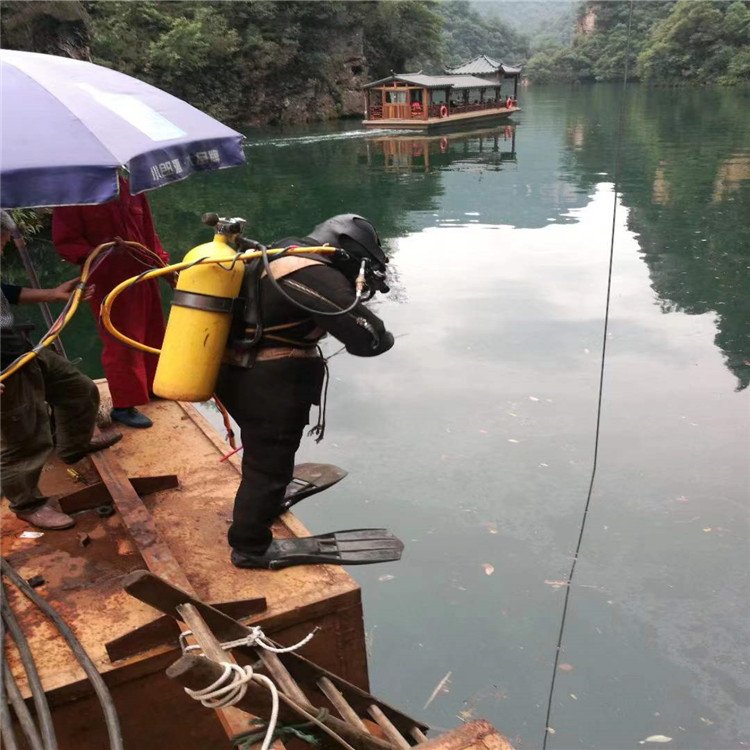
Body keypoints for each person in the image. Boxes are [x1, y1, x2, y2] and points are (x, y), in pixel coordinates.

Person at [216, 214, 400, 569]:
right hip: (268, 384)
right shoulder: (311, 273)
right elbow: (369, 338)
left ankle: (266, 495)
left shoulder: (280, 251)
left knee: (264, 453)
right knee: (267, 465)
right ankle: (250, 546)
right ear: (348, 252)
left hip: (233, 372)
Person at [0, 211, 122, 530]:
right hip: (4, 371)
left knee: (79, 390)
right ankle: (27, 504)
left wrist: (54, 293)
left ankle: (72, 446)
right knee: (25, 440)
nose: (1, 252)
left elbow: (7, 292)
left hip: (21, 350)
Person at [52, 175, 170, 429]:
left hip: (144, 271)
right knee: (120, 340)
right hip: (110, 279)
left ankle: (153, 385)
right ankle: (124, 405)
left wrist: (164, 266)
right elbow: (66, 243)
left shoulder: (131, 187)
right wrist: (103, 250)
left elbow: (149, 233)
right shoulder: (74, 194)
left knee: (152, 330)